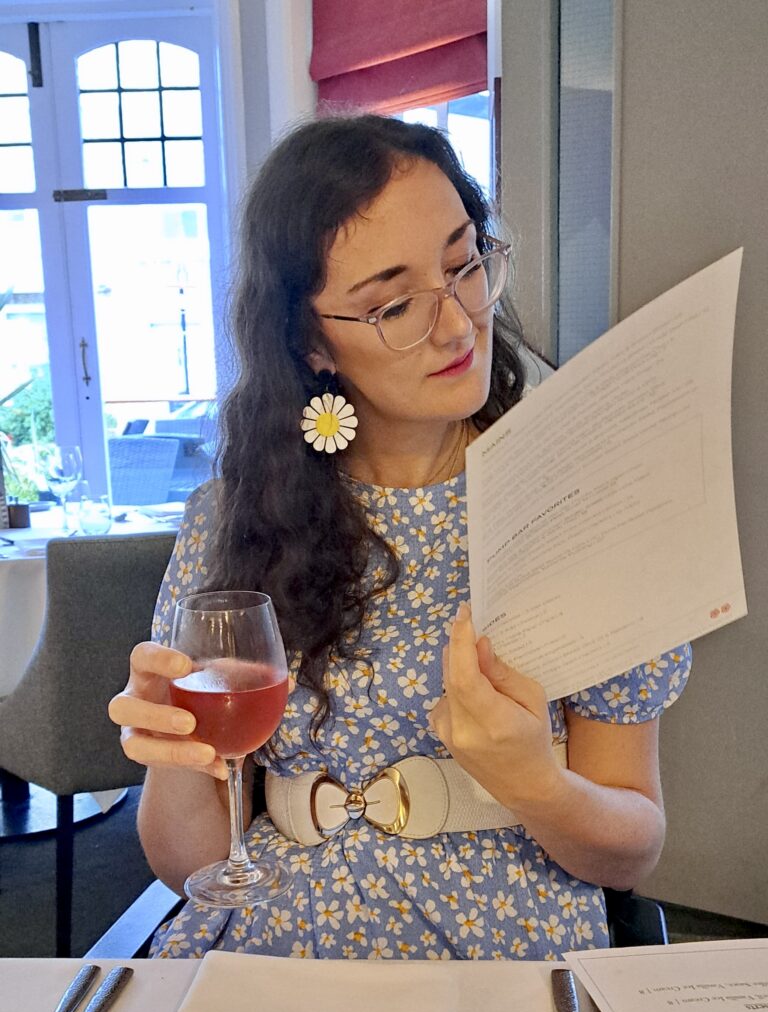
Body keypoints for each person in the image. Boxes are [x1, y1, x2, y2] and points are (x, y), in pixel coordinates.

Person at [108, 114, 691, 960]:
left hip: (506, 947)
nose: (458, 326)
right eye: (392, 305)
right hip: (278, 949)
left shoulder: (577, 507)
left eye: (464, 266)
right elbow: (190, 863)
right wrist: (175, 751)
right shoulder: (233, 519)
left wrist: (534, 781)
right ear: (310, 342)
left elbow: (633, 846)